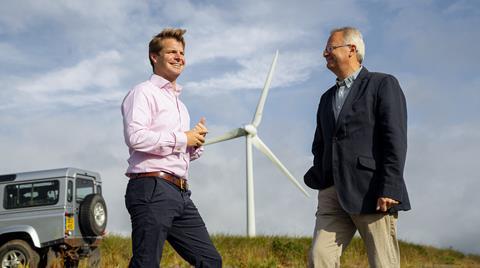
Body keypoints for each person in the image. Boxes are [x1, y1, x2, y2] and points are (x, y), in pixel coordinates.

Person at [304, 26, 410, 267]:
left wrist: (391, 186)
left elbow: (394, 137)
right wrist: (321, 176)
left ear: (352, 49)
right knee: (319, 257)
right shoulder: (326, 98)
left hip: (372, 191)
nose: (324, 54)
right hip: (332, 193)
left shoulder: (382, 84)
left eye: (330, 48)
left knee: (383, 262)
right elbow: (319, 143)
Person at [121, 28, 222, 268]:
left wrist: (194, 144)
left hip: (180, 193)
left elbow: (175, 146)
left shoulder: (181, 106)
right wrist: (181, 139)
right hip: (151, 186)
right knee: (146, 263)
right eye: (172, 52)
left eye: (182, 52)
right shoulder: (143, 92)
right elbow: (135, 137)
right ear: (154, 57)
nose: (179, 57)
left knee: (210, 261)